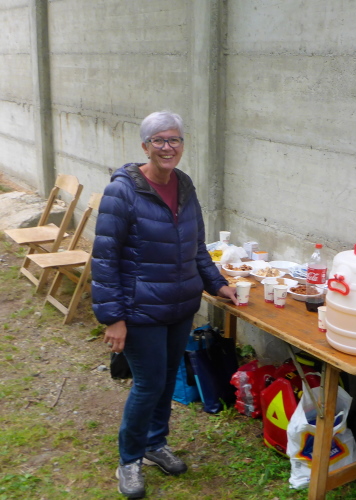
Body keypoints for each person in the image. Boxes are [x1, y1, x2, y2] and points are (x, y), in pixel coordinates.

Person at [91, 110, 238, 499]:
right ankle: (129, 460)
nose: (167, 147)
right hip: (140, 310)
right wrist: (113, 318)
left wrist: (218, 285)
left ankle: (155, 444)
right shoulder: (122, 192)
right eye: (159, 140)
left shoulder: (184, 185)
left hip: (180, 307)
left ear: (182, 145)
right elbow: (104, 259)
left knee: (167, 379)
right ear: (145, 146)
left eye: (174, 140)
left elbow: (197, 247)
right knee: (149, 384)